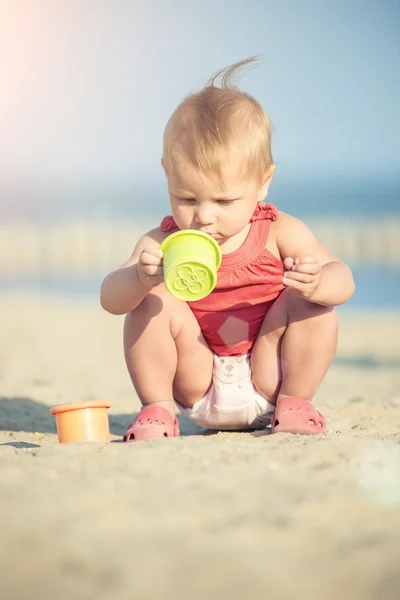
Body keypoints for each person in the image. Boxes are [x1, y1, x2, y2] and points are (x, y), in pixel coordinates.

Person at [100, 56, 355, 441]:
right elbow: (111, 299)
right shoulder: (163, 241)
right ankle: (157, 409)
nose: (202, 217)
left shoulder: (279, 231)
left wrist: (317, 283)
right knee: (152, 303)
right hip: (196, 382)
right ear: (167, 173)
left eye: (223, 202)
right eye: (185, 198)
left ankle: (298, 402)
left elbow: (343, 281)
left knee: (311, 304)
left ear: (263, 182)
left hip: (270, 378)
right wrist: (138, 279)